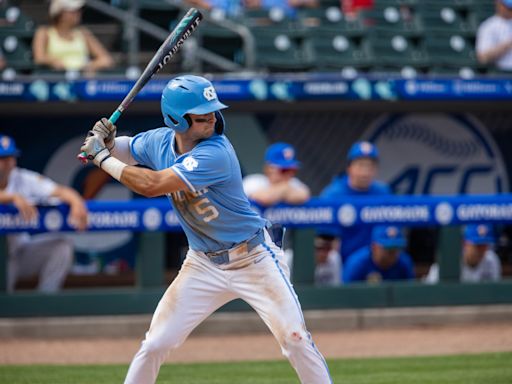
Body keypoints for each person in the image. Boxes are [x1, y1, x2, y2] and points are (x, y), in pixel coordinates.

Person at [79, 75, 332, 384]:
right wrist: (104, 142)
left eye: (213, 111)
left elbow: (151, 185)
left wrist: (101, 157)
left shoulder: (216, 153)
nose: (211, 118)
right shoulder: (159, 141)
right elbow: (128, 148)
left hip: (253, 258)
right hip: (202, 263)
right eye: (201, 116)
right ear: (176, 120)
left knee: (295, 339)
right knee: (155, 343)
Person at [0, 135, 88, 293]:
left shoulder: (21, 177)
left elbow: (60, 191)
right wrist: (10, 197)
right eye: (2, 158)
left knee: (62, 247)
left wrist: (76, 201)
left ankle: (45, 301)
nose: (8, 163)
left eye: (10, 157)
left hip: (19, 253)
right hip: (4, 258)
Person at [316, 141, 391, 266]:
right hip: (341, 264)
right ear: (349, 168)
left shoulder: (383, 192)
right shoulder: (333, 194)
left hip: (376, 264)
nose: (365, 172)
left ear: (376, 170)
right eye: (361, 165)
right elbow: (325, 239)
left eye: (370, 166)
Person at [32, 0, 113, 76]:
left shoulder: (83, 33)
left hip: (81, 80)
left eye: (78, 10)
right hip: (57, 80)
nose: (78, 13)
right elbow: (39, 58)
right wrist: (53, 61)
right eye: (72, 11)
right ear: (60, 13)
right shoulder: (44, 32)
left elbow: (106, 59)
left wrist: (91, 66)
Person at [424, 224, 502, 284]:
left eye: (485, 245)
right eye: (477, 246)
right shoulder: (449, 262)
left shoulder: (491, 260)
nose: (482, 250)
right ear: (465, 244)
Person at [243, 141, 310, 206]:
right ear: (269, 168)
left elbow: (304, 194)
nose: (289, 174)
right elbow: (265, 198)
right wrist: (285, 189)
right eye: (284, 170)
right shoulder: (253, 181)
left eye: (292, 170)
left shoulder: (293, 182)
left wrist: (280, 191)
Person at [343, 225, 415, 284]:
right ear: (374, 247)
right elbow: (346, 295)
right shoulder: (357, 264)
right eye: (389, 249)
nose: (393, 253)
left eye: (396, 248)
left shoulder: (404, 263)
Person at [476, 0, 512, 71]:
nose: (509, 10)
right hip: (500, 74)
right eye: (508, 7)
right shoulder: (488, 26)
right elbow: (483, 58)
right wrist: (507, 45)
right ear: (498, 3)